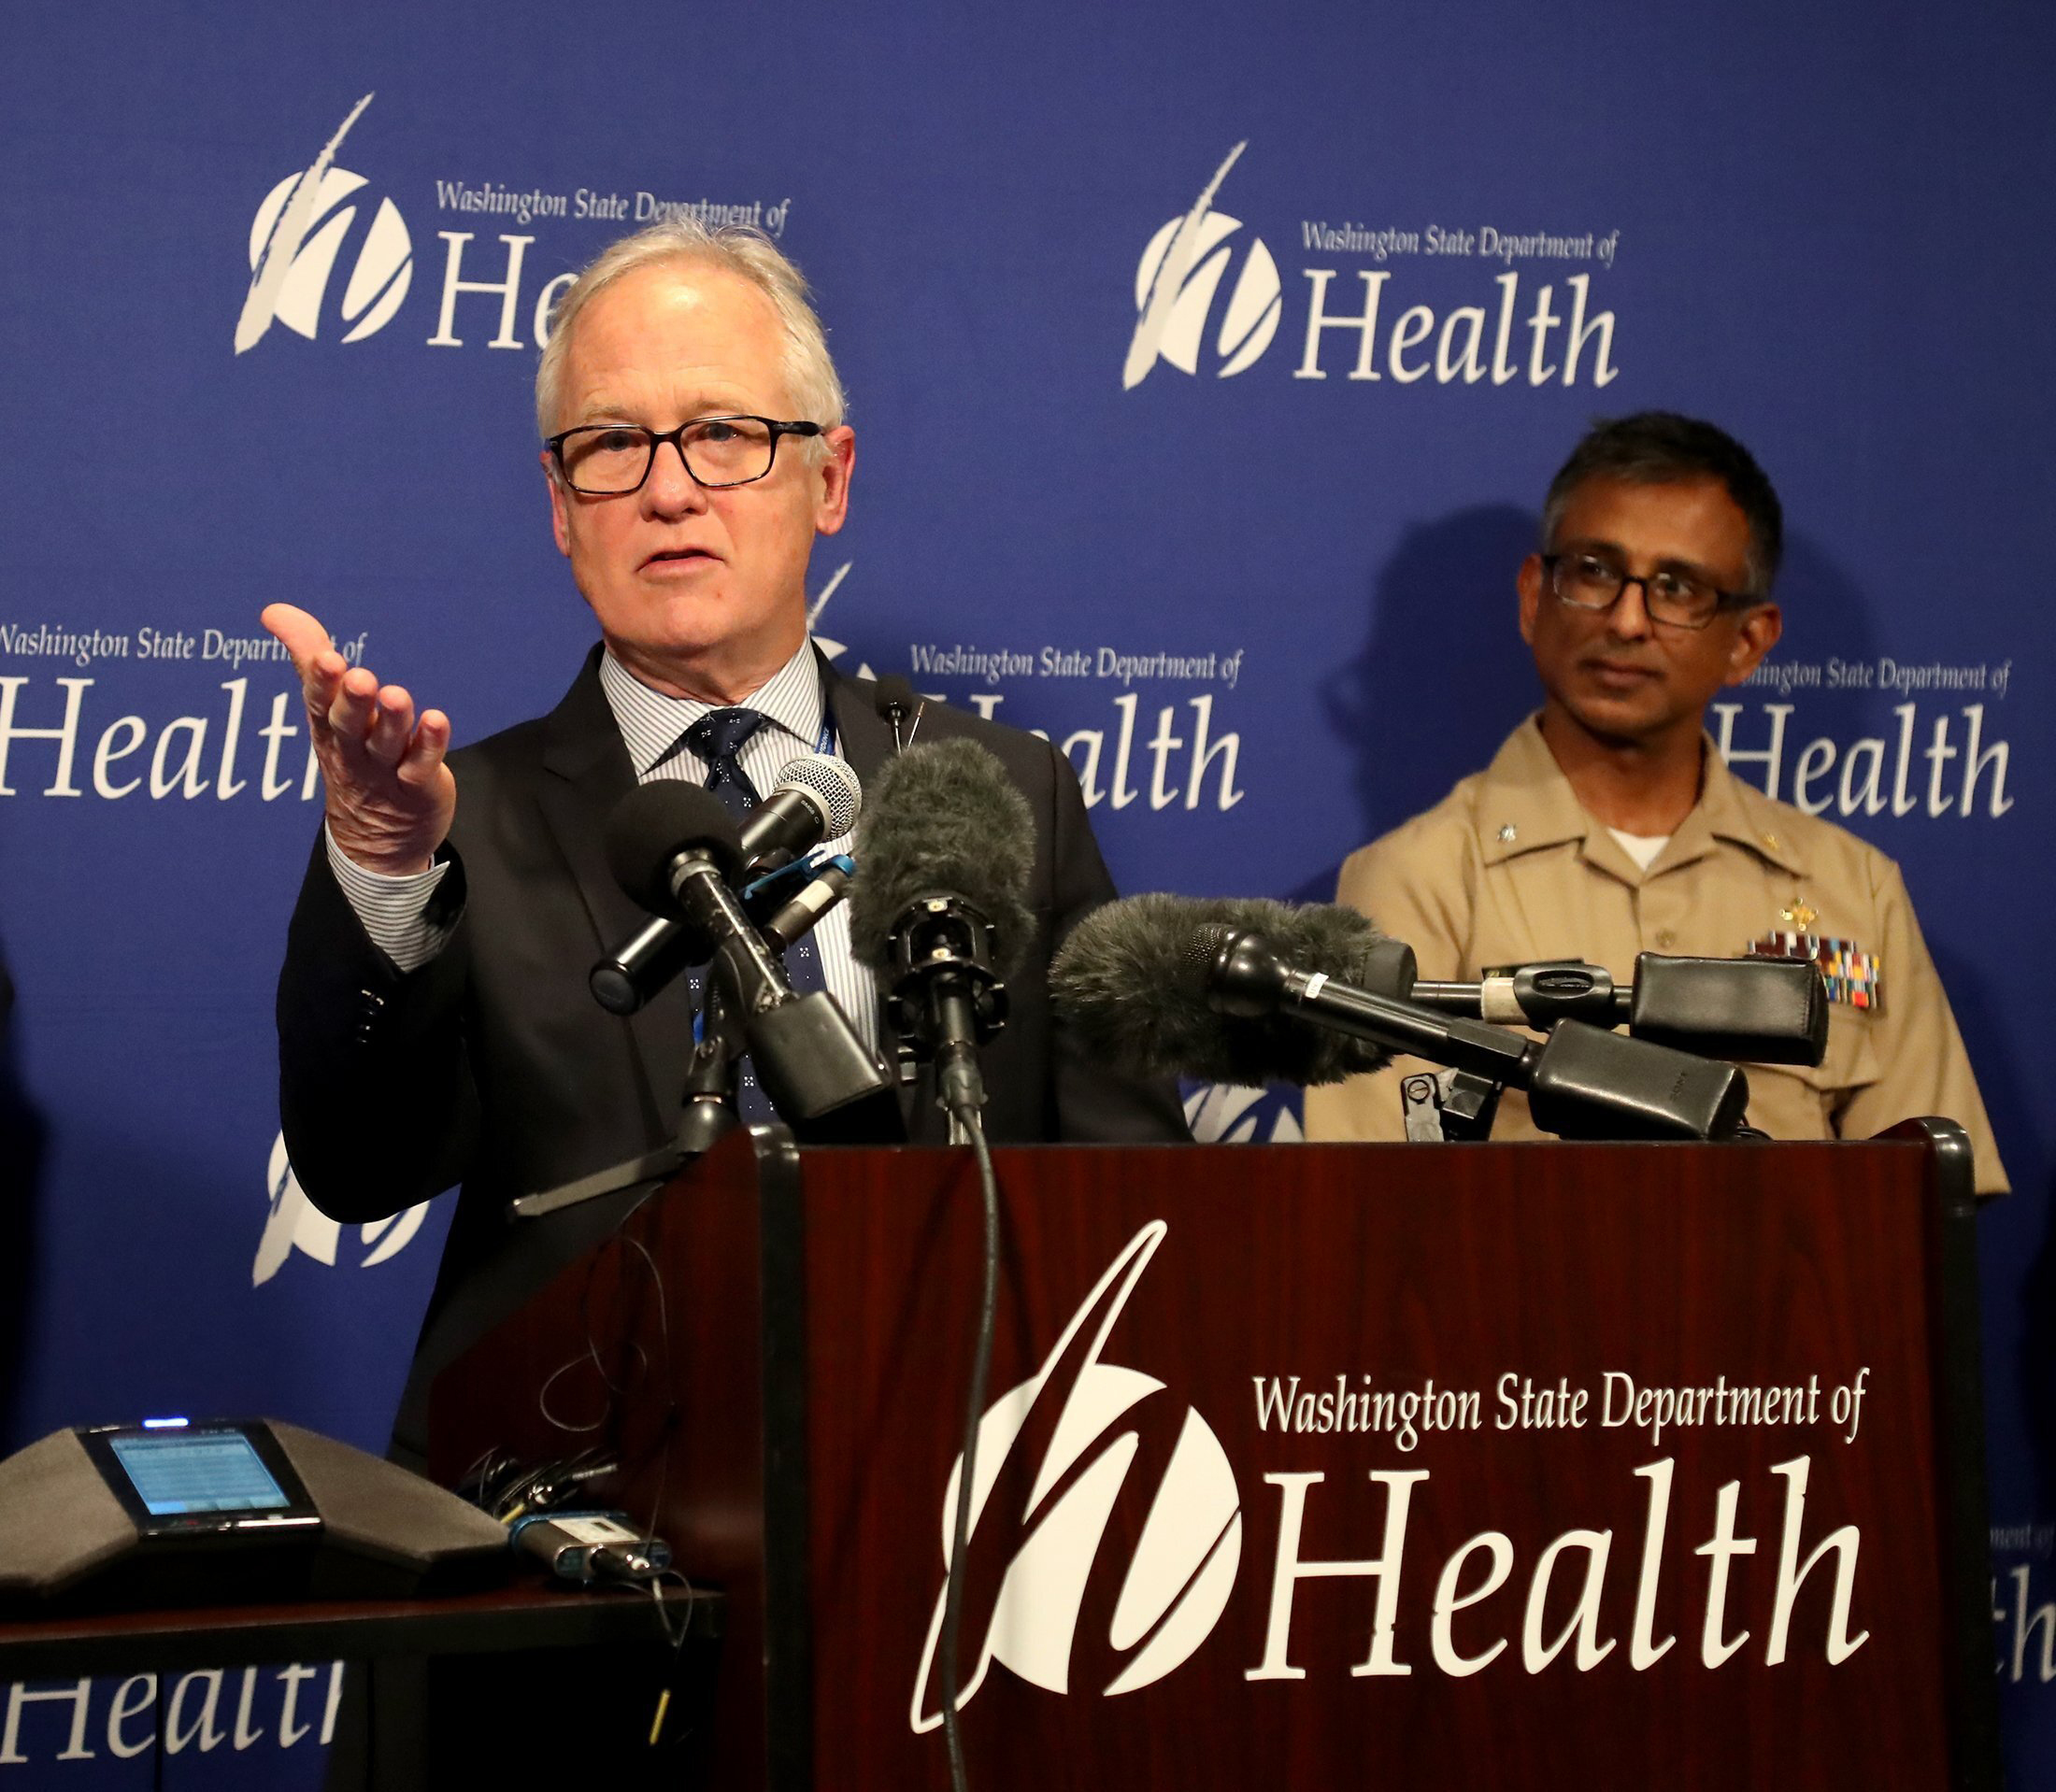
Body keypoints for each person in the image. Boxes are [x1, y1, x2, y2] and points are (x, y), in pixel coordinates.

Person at [266, 218, 1187, 1460]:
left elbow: (1141, 1205)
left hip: (947, 1522)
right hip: (581, 1547)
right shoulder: (461, 819)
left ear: (831, 476)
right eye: (610, 444)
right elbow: (356, 1167)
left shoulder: (1002, 792)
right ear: (559, 507)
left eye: (724, 433)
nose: (667, 487)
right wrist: (382, 860)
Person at [1304, 412, 2007, 1194]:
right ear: (1536, 597)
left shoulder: (1853, 888)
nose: (1627, 620)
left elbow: (1927, 1210)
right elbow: (1369, 1215)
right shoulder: (1411, 882)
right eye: (1597, 572)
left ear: (1747, 642)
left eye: (1677, 588)